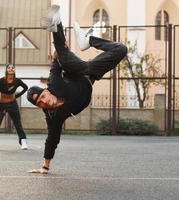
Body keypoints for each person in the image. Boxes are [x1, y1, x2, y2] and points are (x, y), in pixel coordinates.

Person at [26, 5, 127, 174]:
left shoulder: (53, 83)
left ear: (46, 91)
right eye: (40, 102)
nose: (44, 101)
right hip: (91, 72)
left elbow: (56, 63)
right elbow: (52, 139)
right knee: (121, 49)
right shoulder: (53, 116)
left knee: (62, 57)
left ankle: (56, 23)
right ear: (39, 106)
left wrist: (58, 50)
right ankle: (89, 41)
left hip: (75, 69)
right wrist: (45, 167)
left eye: (43, 96)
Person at [0, 64, 29, 150]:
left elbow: (25, 87)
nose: (11, 69)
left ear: (14, 70)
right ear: (6, 70)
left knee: (18, 123)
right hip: (2, 104)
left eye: (13, 68)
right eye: (9, 67)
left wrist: (17, 96)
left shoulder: (17, 81)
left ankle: (23, 141)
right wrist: (0, 106)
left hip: (13, 104)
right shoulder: (1, 81)